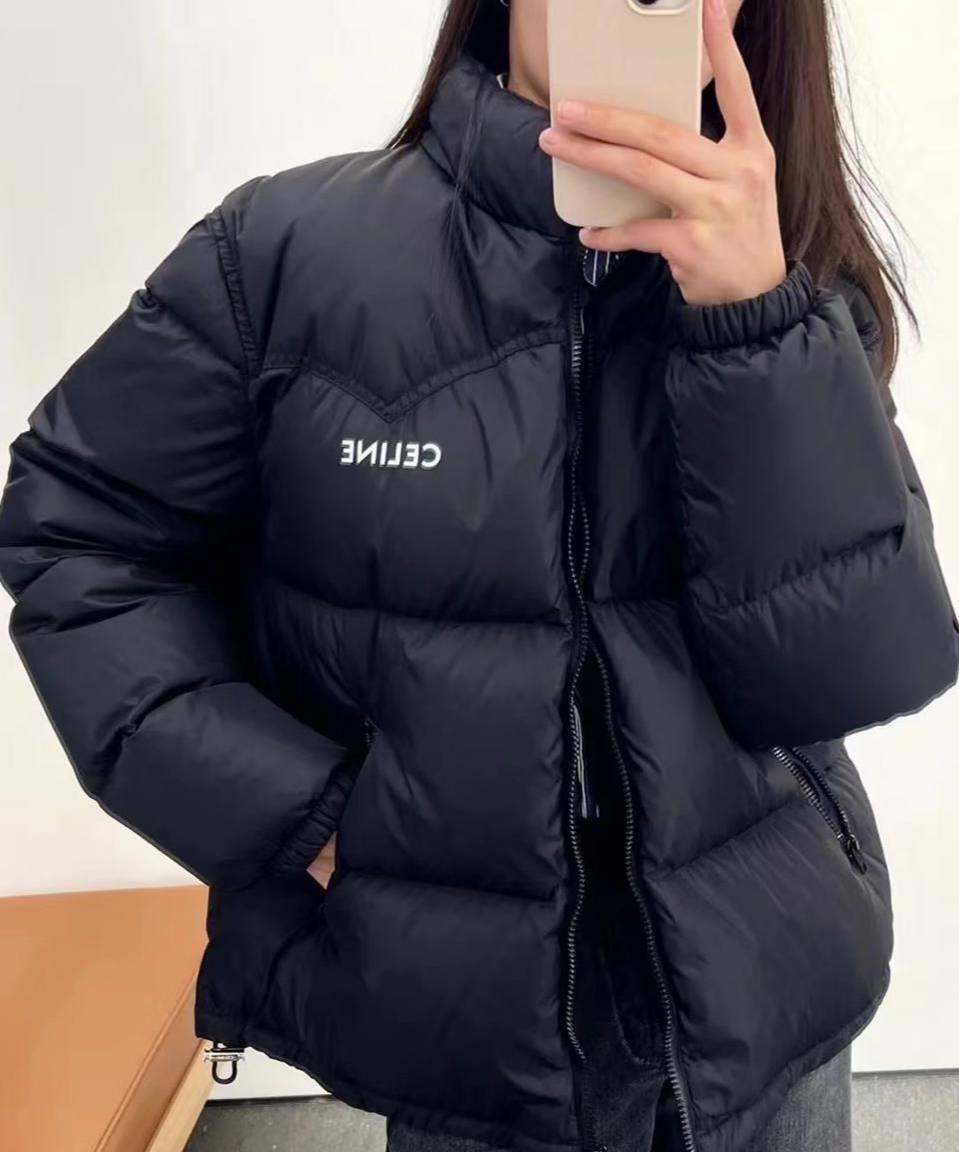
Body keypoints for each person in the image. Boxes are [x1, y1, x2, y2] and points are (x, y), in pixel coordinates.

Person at [1, 1, 956, 1150]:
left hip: (764, 999)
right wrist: (294, 813)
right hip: (466, 1033)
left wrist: (751, 321)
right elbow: (79, 536)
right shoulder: (288, 255)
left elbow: (843, 675)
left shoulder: (790, 285)